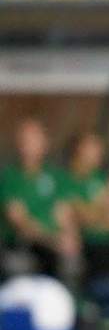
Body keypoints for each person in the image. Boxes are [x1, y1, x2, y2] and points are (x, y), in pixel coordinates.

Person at [1, 119, 79, 280]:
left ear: (45, 143)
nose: (28, 145)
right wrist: (52, 241)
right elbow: (19, 221)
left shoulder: (55, 176)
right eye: (25, 139)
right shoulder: (9, 177)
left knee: (72, 262)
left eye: (34, 139)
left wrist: (70, 237)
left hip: (54, 248)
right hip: (21, 246)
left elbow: (63, 213)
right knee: (18, 266)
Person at [61, 133, 109, 284]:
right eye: (94, 147)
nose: (100, 152)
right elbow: (83, 218)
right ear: (79, 149)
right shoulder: (66, 179)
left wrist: (97, 210)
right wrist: (107, 200)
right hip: (87, 245)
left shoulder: (102, 178)